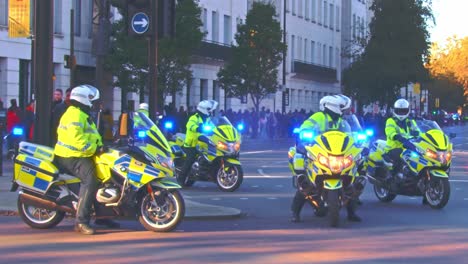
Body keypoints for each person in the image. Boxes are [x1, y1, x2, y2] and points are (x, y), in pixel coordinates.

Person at [53, 84, 119, 235]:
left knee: (105, 176)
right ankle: (81, 222)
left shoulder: (83, 114)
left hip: (82, 154)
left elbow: (92, 136)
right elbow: (77, 140)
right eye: (92, 100)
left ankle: (103, 216)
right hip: (70, 156)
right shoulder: (74, 116)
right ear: (83, 99)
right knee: (90, 180)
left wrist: (104, 147)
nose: (95, 104)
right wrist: (95, 149)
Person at [290, 94, 361, 223]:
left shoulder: (343, 120)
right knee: (305, 181)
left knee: (351, 180)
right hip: (321, 150)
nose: (345, 110)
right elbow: (305, 127)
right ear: (333, 107)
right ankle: (295, 212)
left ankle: (352, 212)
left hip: (339, 151)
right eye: (341, 107)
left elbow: (354, 131)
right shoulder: (319, 117)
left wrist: (360, 139)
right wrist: (304, 134)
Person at [178, 100, 218, 185]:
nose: (210, 112)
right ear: (203, 109)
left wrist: (218, 131)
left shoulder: (207, 119)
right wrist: (197, 128)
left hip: (203, 144)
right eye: (209, 110)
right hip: (191, 144)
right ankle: (180, 181)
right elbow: (190, 126)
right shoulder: (194, 118)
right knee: (190, 160)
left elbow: (214, 127)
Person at [384, 99, 420, 180]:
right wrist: (397, 137)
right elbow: (390, 132)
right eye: (399, 111)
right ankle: (393, 177)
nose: (401, 113)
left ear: (407, 111)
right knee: (400, 158)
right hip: (393, 148)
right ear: (395, 111)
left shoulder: (410, 121)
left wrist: (417, 134)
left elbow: (418, 131)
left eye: (403, 111)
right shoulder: (391, 121)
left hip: (409, 146)